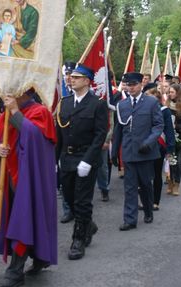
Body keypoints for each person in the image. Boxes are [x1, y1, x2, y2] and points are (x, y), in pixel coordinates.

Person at [0, 90, 57, 287]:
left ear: (23, 93)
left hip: (29, 179)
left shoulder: (40, 111)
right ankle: (38, 256)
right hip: (9, 177)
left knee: (24, 221)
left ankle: (15, 271)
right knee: (16, 221)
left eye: (11, 92)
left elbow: (34, 137)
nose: (5, 95)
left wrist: (16, 112)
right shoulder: (5, 114)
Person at [56, 64, 108, 260]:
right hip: (67, 158)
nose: (72, 79)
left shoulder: (97, 104)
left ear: (87, 81)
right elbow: (59, 133)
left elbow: (100, 135)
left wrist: (88, 160)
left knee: (82, 201)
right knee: (68, 198)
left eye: (77, 77)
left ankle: (78, 240)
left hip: (86, 158)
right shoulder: (65, 103)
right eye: (71, 77)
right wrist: (55, 159)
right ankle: (88, 224)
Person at [112, 72, 164, 230]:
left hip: (146, 152)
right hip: (129, 152)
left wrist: (148, 142)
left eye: (133, 84)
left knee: (146, 185)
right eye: (128, 85)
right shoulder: (122, 105)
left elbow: (158, 125)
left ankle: (148, 210)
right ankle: (130, 219)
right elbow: (119, 129)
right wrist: (114, 152)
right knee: (129, 187)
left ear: (141, 84)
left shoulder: (151, 102)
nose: (130, 88)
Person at [144, 83, 175, 210]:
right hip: (144, 146)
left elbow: (169, 130)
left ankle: (155, 201)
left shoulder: (164, 110)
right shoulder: (142, 109)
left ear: (155, 98)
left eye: (148, 96)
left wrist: (170, 148)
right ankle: (145, 199)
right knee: (144, 175)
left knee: (156, 174)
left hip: (158, 146)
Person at [59, 61, 76, 223]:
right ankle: (67, 209)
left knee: (80, 187)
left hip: (80, 148)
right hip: (63, 146)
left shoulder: (84, 95)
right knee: (65, 183)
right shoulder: (59, 93)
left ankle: (79, 212)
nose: (68, 79)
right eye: (66, 75)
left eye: (71, 75)